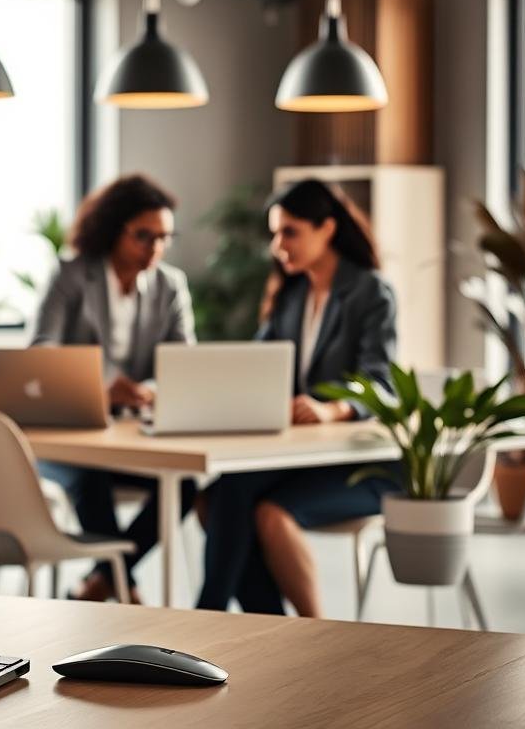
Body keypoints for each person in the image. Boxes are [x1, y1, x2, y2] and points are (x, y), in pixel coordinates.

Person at [196, 178, 398, 616]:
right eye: (275, 232)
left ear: (327, 228)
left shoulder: (370, 293)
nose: (277, 245)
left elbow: (381, 382)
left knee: (243, 501)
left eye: (289, 232)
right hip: (298, 454)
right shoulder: (290, 294)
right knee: (213, 498)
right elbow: (258, 368)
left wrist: (334, 409)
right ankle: (266, 623)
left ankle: (210, 613)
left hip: (357, 461)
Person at [31, 173, 197, 603]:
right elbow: (41, 351)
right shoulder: (72, 275)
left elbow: (183, 362)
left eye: (164, 238)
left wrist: (150, 388)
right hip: (69, 439)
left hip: (133, 434)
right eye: (144, 236)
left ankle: (104, 581)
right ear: (114, 228)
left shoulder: (169, 285)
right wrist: (100, 389)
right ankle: (125, 587)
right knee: (91, 477)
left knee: (185, 483)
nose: (155, 249)